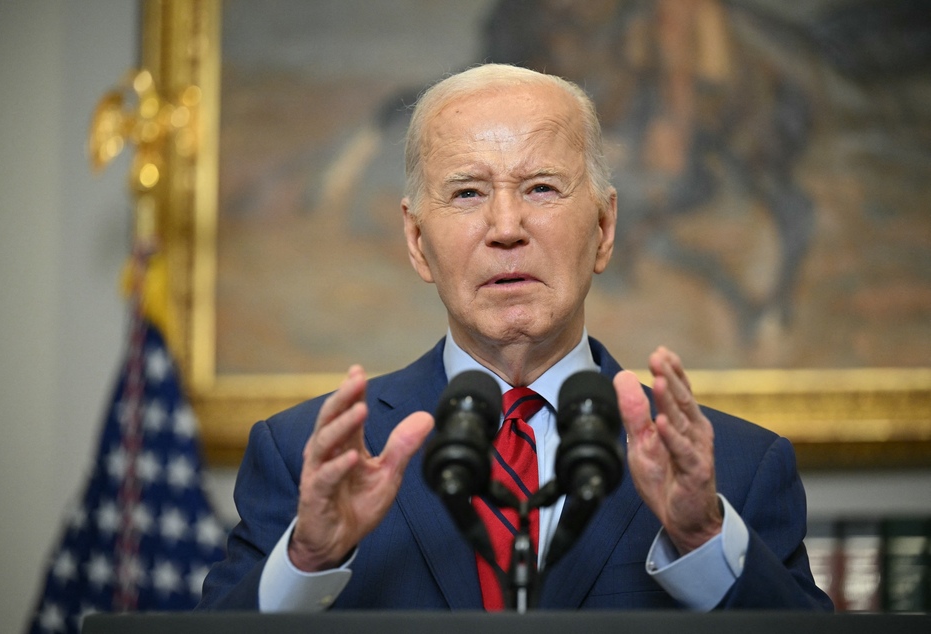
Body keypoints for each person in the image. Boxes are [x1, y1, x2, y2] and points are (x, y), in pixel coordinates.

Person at [198, 64, 832, 612]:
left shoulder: (737, 468)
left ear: (605, 228)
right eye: (468, 192)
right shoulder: (308, 460)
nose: (506, 227)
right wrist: (308, 559)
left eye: (542, 188)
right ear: (418, 242)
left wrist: (702, 542)